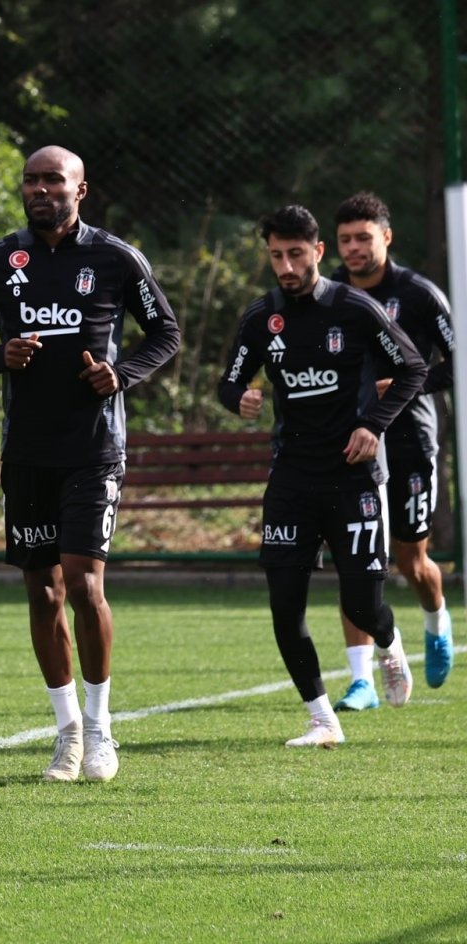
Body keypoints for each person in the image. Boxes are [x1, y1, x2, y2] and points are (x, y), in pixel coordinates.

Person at [0, 145, 181, 783]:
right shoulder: (0, 261)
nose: (39, 189)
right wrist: (0, 356)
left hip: (93, 449)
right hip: (27, 453)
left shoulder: (113, 258)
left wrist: (123, 374)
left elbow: (165, 331)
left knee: (85, 585)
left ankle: (102, 727)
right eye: (31, 180)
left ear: (81, 190)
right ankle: (67, 733)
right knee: (43, 591)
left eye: (53, 180)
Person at [218, 204, 426, 747]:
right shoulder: (262, 318)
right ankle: (321, 719)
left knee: (362, 603)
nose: (285, 266)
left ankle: (388, 643)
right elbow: (228, 382)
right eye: (275, 256)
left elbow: (412, 369)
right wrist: (239, 397)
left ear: (317, 252)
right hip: (291, 478)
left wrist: (373, 426)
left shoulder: (354, 308)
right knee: (285, 604)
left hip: (354, 477)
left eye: (294, 254)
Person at [325, 191, 456, 710]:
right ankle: (360, 679)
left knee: (409, 559)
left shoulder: (419, 294)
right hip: (353, 438)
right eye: (345, 240)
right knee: (355, 556)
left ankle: (435, 617)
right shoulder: (328, 291)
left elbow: (458, 359)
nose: (354, 248)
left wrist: (411, 386)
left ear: (386, 237)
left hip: (410, 439)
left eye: (363, 237)